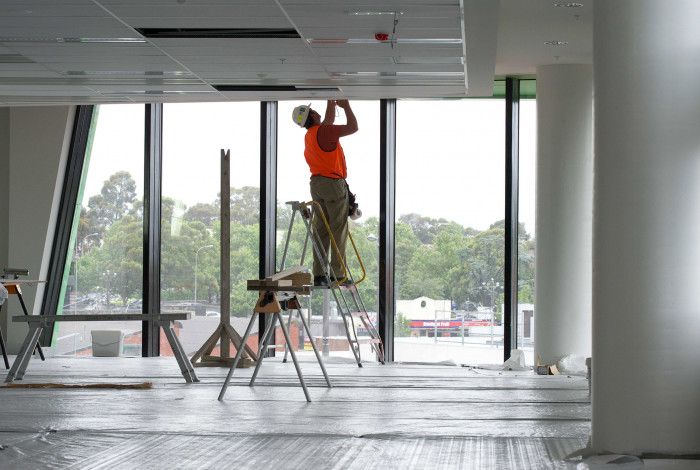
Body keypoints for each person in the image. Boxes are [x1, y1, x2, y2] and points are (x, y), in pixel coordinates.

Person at [292, 100, 358, 286]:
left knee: (320, 229)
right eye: (314, 111)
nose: (317, 112)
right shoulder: (324, 131)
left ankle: (320, 274)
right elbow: (353, 127)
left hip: (317, 184)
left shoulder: (310, 135)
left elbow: (328, 119)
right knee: (338, 228)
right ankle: (338, 274)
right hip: (332, 184)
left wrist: (331, 100)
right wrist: (345, 106)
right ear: (312, 115)